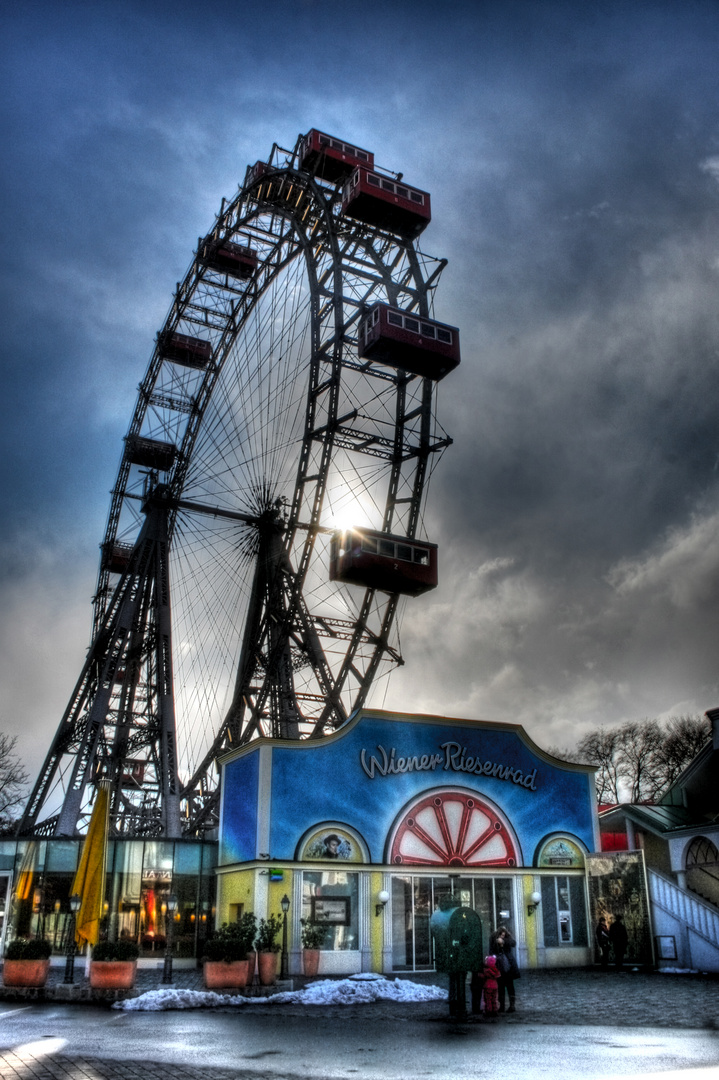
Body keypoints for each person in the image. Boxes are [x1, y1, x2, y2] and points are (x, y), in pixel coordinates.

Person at [490, 924, 518, 1012]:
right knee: (500, 986)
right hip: (499, 966)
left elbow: (513, 943)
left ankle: (512, 1005)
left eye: (504, 935)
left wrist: (503, 942)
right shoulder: (493, 940)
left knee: (510, 986)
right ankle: (501, 1006)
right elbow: (491, 951)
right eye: (501, 935)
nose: (502, 936)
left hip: (508, 966)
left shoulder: (508, 939)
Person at [481, 954, 501, 1020]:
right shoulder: (495, 970)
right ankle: (495, 1010)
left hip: (487, 986)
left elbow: (483, 976)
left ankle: (489, 1011)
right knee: (494, 999)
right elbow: (498, 975)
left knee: (488, 999)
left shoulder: (486, 970)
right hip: (495, 986)